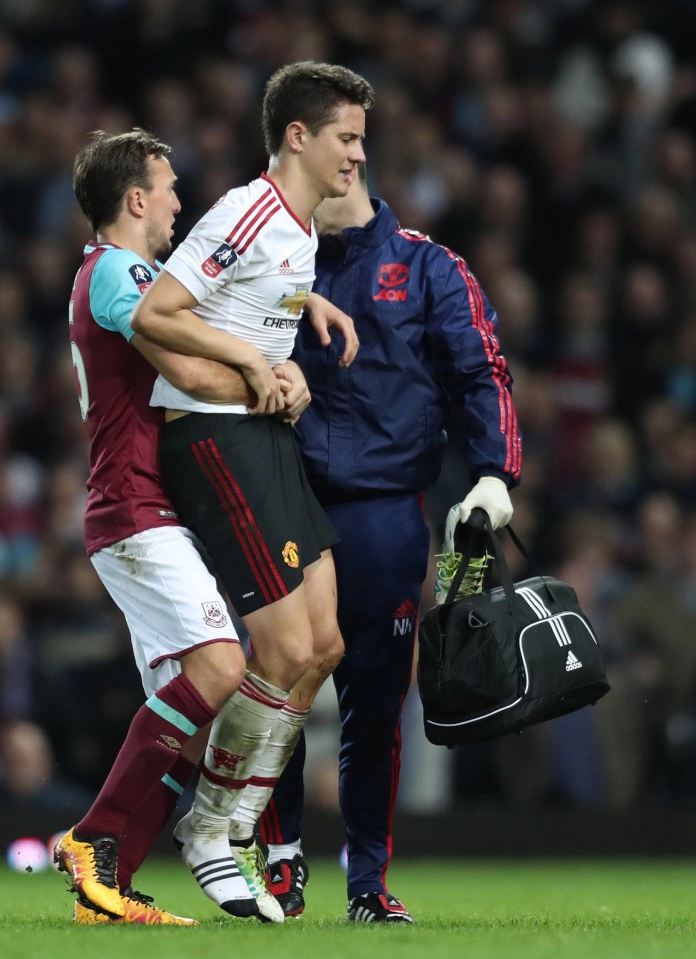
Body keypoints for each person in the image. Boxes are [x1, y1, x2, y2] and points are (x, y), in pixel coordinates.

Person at [131, 61, 375, 919]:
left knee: (323, 645)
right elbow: (156, 312)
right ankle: (210, 829)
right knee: (278, 649)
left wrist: (306, 313)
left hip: (263, 432)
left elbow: (252, 297)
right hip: (213, 435)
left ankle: (228, 822)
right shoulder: (247, 210)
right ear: (299, 136)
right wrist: (252, 366)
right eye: (346, 137)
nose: (358, 155)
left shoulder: (298, 229)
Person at [54, 128, 314, 926]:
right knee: (220, 665)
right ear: (135, 199)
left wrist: (299, 318)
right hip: (132, 507)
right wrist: (260, 384)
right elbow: (187, 367)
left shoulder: (126, 274)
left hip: (142, 508)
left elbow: (222, 315)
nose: (178, 202)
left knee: (189, 719)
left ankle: (110, 885)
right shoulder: (116, 274)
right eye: (168, 188)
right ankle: (93, 838)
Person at [259, 164, 522, 923]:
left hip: (384, 510)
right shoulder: (270, 257)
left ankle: (366, 881)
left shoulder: (428, 264)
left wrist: (494, 474)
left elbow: (482, 371)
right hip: (287, 498)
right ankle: (280, 864)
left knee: (374, 707)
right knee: (281, 685)